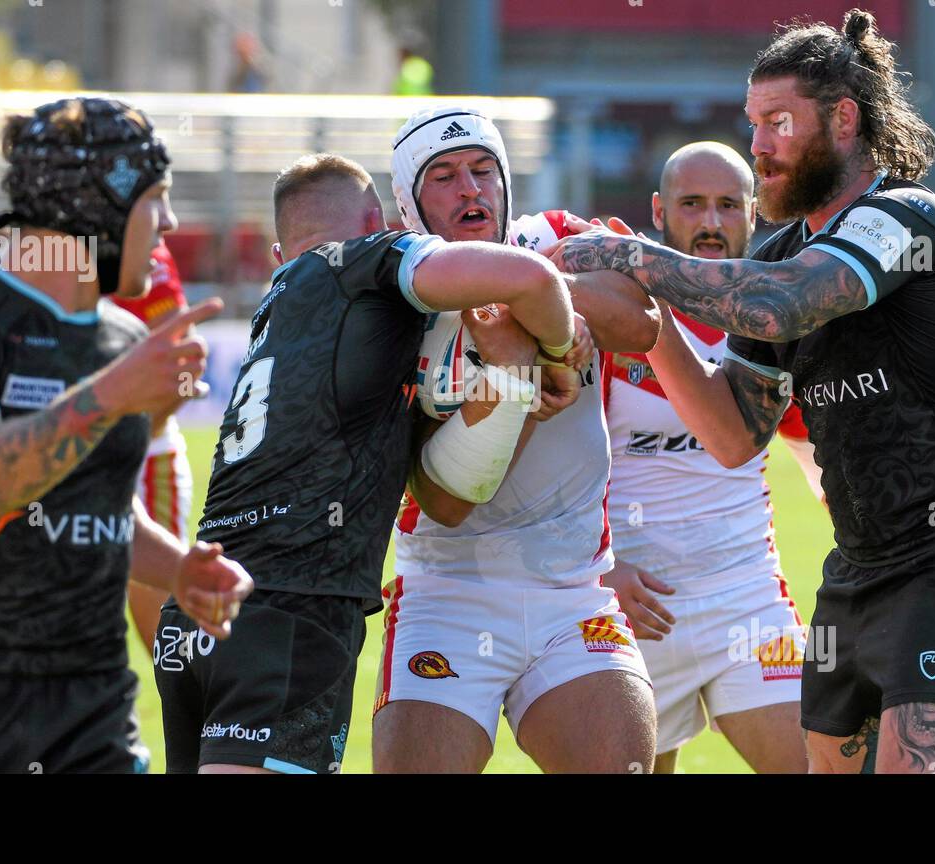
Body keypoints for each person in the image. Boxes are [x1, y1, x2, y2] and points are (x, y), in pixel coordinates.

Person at [548, 10, 935, 774]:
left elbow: (783, 302)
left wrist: (629, 256)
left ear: (844, 121)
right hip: (856, 570)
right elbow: (734, 434)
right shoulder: (780, 248)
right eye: (753, 124)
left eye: (778, 122)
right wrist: (654, 330)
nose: (759, 146)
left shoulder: (905, 218)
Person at [154, 152, 579, 774]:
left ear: (281, 253)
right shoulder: (369, 261)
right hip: (295, 608)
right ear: (380, 223)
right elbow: (531, 279)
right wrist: (562, 353)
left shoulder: (280, 302)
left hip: (197, 611)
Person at [0, 97, 252, 774]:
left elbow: (97, 503)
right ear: (95, 209)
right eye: (155, 198)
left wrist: (179, 571)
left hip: (93, 716)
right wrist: (112, 393)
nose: (168, 223)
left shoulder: (122, 340)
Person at [373, 106, 663, 774]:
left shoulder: (556, 235)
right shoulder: (395, 307)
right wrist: (522, 391)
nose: (470, 189)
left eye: (483, 170)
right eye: (442, 177)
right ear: (410, 203)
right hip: (446, 592)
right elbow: (444, 503)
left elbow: (639, 322)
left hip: (574, 593)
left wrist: (531, 296)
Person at [602, 141, 824, 774]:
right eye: (692, 204)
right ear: (658, 210)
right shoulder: (614, 313)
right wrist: (601, 568)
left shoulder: (776, 319)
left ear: (753, 214)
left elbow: (817, 460)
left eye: (729, 205)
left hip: (745, 598)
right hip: (633, 606)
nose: (709, 222)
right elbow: (563, 468)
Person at [110, 240, 193, 650]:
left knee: (166, 639)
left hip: (146, 455)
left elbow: (183, 366)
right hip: (57, 459)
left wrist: (118, 441)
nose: (167, 222)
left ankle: (195, 712)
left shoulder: (150, 254)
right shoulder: (33, 255)